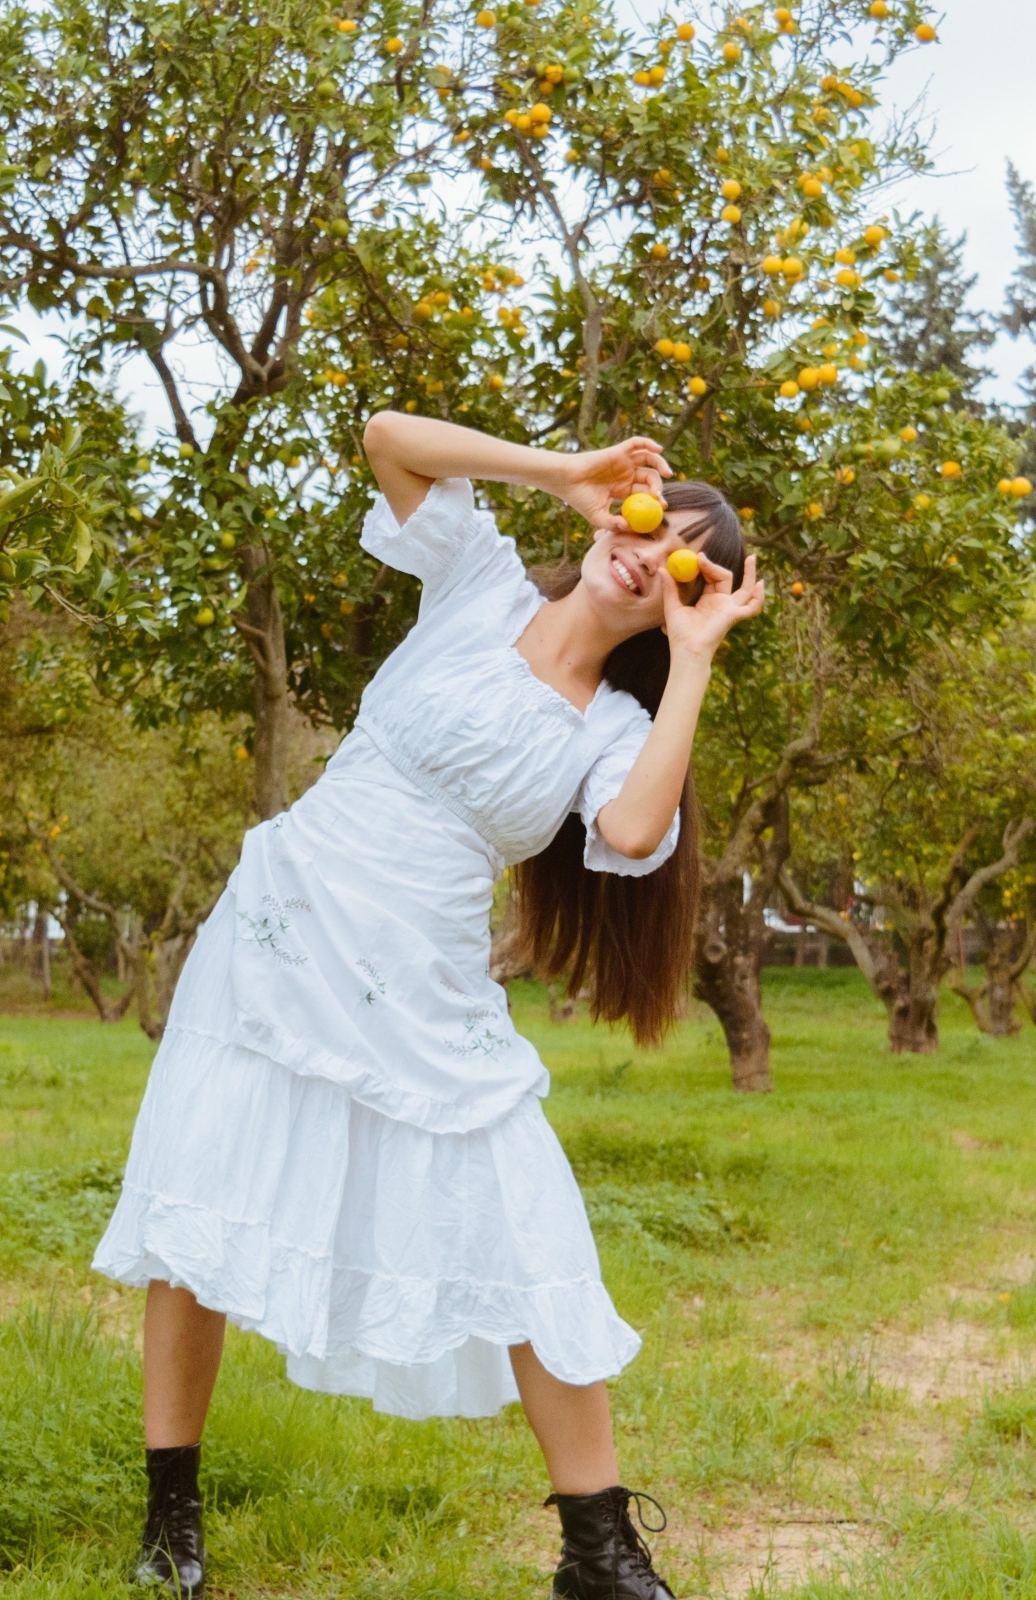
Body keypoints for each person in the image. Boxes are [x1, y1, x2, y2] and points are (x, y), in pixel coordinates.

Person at [92, 412, 764, 1598]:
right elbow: (386, 435)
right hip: (280, 926)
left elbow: (632, 831)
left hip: (424, 979)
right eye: (658, 522)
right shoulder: (478, 581)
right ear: (619, 515)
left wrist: (697, 659)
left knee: (524, 1224)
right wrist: (566, 472)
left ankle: (597, 1551)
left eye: (687, 563)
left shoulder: (616, 725)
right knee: (199, 1214)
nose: (653, 555)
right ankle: (170, 1525)